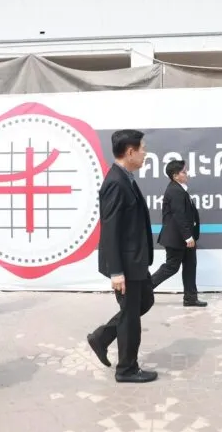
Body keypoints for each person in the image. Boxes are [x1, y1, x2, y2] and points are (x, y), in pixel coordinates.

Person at [86, 130, 157, 383]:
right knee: (130, 317)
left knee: (144, 301)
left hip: (135, 260)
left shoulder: (126, 177)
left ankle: (102, 337)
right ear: (130, 152)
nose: (145, 153)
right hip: (126, 265)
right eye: (142, 148)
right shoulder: (116, 182)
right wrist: (116, 271)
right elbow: (110, 229)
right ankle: (126, 369)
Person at [150, 160, 207, 307]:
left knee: (190, 266)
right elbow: (179, 216)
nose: (187, 174)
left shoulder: (179, 189)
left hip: (185, 237)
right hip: (177, 238)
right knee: (171, 267)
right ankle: (142, 290)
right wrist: (187, 236)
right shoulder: (175, 191)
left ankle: (190, 298)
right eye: (184, 172)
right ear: (175, 176)